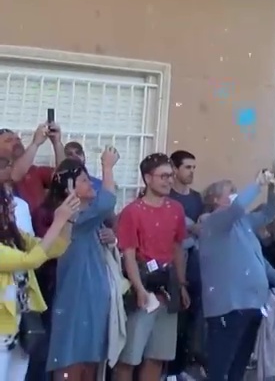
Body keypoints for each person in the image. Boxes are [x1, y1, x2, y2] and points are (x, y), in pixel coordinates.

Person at [198, 171, 275, 381]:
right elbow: (237, 208)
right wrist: (257, 184)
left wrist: (273, 189)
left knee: (239, 368)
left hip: (252, 304)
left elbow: (268, 213)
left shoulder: (244, 223)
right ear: (215, 199)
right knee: (221, 367)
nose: (235, 195)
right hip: (228, 307)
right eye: (231, 192)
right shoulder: (213, 222)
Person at [46, 149, 120, 381]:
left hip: (93, 299)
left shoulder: (91, 219)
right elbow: (107, 202)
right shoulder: (71, 215)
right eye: (84, 180)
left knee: (91, 359)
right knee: (71, 356)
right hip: (76, 297)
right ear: (69, 187)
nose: (90, 184)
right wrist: (107, 167)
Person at [115, 153, 188, 381]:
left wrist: (182, 284)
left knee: (158, 355)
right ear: (148, 178)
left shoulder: (176, 209)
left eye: (171, 176)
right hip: (144, 285)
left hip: (169, 287)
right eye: (163, 176)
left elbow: (177, 248)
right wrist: (139, 289)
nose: (169, 181)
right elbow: (128, 254)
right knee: (129, 356)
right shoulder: (132, 212)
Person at [0, 186, 78, 380]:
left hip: (22, 324)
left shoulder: (15, 237)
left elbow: (55, 248)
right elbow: (30, 260)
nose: (11, 206)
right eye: (6, 202)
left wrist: (68, 220)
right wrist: (57, 221)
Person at [167, 149, 202, 380]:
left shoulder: (196, 198)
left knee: (192, 315)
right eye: (187, 167)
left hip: (194, 261)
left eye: (193, 168)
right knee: (174, 318)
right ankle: (169, 370)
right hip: (172, 261)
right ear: (175, 168)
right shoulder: (168, 196)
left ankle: (182, 367)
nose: (191, 172)